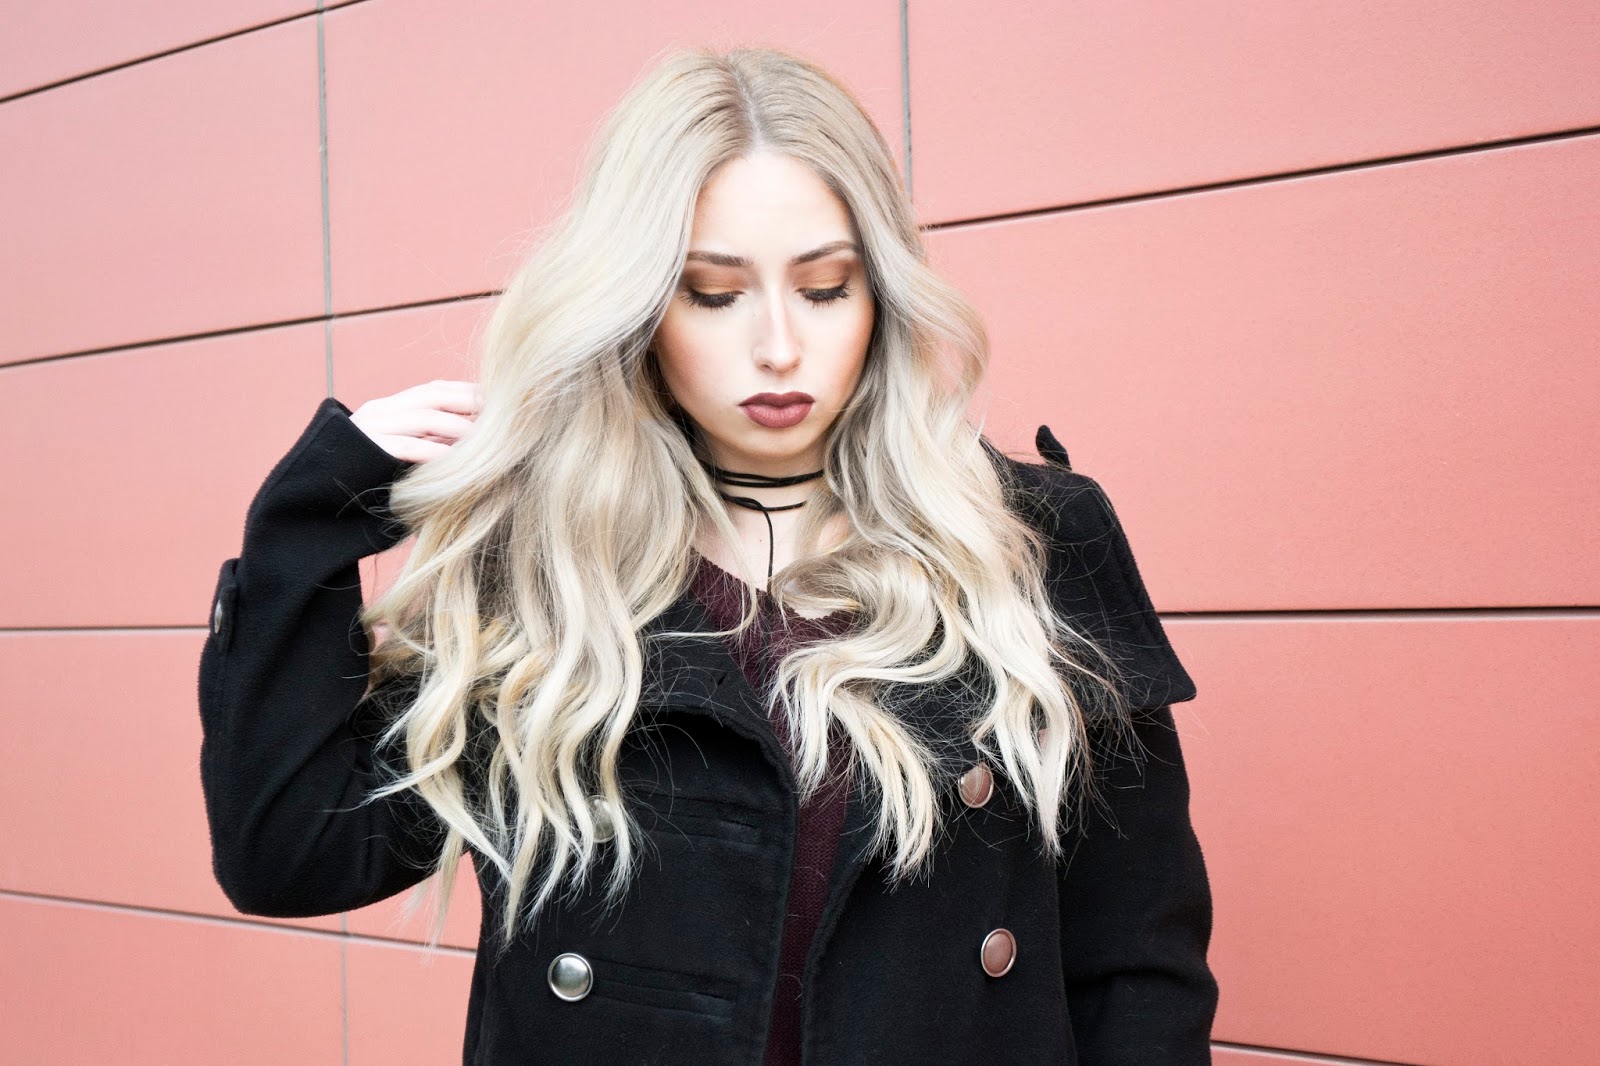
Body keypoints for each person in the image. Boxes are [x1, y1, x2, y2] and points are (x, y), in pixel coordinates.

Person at [197, 45, 1217, 1065]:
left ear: (881, 294)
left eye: (825, 287)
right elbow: (292, 855)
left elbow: (1136, 962)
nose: (778, 345)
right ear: (639, 303)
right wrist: (308, 525)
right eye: (714, 294)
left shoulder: (1024, 539)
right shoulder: (550, 564)